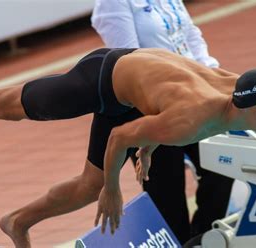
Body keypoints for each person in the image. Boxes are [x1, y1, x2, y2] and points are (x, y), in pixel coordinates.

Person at [0, 48, 256, 247]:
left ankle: (19, 220)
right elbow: (120, 137)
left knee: (86, 187)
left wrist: (148, 142)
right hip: (103, 78)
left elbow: (157, 113)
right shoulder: (192, 121)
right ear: (244, 106)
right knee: (2, 107)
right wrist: (114, 189)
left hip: (135, 96)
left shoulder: (233, 90)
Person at [91, 0, 233, 242]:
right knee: (166, 191)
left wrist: (213, 76)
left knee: (222, 170)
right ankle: (180, 242)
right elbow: (132, 61)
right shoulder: (112, 4)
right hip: (153, 106)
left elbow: (190, 35)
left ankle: (202, 239)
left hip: (198, 96)